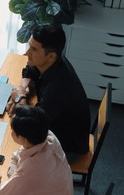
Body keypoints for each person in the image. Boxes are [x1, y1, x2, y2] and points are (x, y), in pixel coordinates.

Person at [6, 25, 90, 163]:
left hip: (67, 147)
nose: (27, 53)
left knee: (11, 153)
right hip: (55, 125)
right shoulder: (51, 62)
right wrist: (22, 88)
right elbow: (30, 69)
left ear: (51, 56)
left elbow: (34, 125)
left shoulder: (59, 86)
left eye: (34, 49)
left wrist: (20, 98)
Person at [0, 105, 74, 195]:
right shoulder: (48, 136)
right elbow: (16, 156)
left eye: (13, 131)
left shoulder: (34, 168)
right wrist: (17, 180)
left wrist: (16, 183)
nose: (10, 132)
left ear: (24, 139)